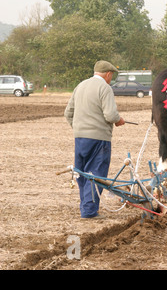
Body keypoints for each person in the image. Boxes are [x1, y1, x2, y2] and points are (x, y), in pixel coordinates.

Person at [64, 60, 125, 219]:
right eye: (111, 76)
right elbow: (110, 115)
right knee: (96, 174)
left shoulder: (81, 86)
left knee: (82, 173)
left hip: (80, 138)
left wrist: (79, 128)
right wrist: (119, 120)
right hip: (99, 139)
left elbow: (68, 113)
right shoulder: (105, 88)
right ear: (108, 74)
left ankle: (86, 208)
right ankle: (89, 212)